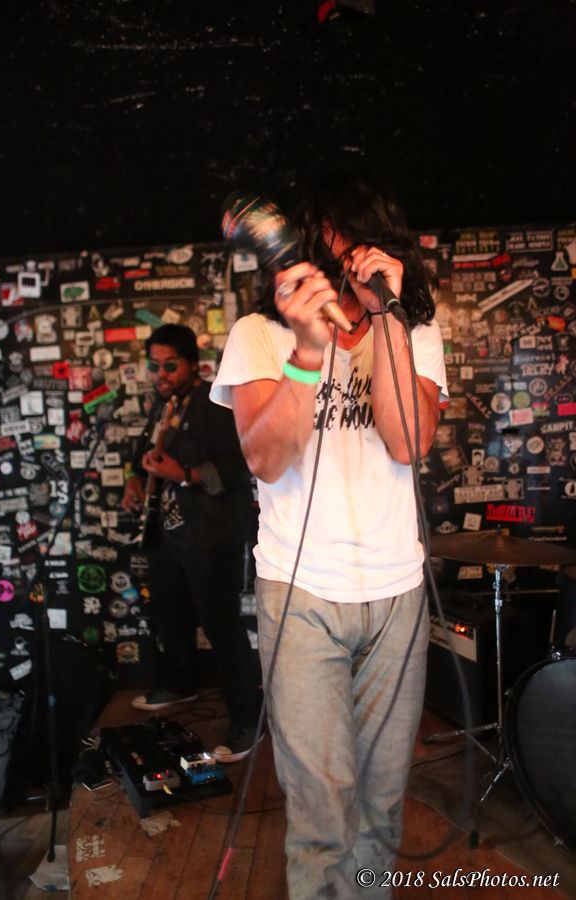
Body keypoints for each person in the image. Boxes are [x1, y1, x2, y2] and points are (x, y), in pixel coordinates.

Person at [210, 170, 448, 896]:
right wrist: (309, 349)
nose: (348, 269)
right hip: (301, 591)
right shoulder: (260, 334)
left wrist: (388, 317)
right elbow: (265, 457)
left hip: (396, 590)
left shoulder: (413, 329)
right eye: (333, 253)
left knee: (382, 797)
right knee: (321, 804)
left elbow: (408, 442)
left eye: (362, 252)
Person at [121, 323, 261, 763]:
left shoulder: (215, 403)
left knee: (221, 624)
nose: (160, 374)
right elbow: (143, 456)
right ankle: (180, 684)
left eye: (170, 366)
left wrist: (182, 475)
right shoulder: (163, 404)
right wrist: (133, 480)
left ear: (193, 365)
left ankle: (249, 718)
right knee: (171, 614)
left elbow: (238, 465)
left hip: (211, 535)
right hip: (169, 534)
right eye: (154, 366)